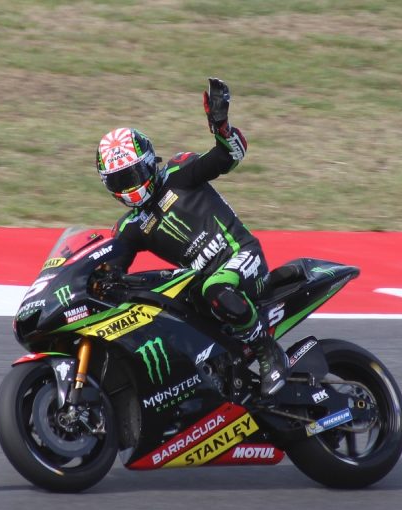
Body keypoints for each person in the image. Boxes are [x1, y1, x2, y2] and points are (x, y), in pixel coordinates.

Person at [95, 77, 289, 399]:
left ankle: (268, 351)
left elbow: (229, 156)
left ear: (148, 163)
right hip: (201, 285)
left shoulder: (179, 173)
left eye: (132, 175)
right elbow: (111, 265)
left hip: (241, 257)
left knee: (215, 287)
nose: (129, 187)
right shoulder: (130, 227)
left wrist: (221, 126)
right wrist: (97, 276)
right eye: (119, 180)